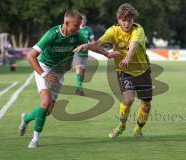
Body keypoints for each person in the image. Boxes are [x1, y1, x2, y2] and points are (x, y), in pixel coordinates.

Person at [19, 9, 119, 148]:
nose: (79, 28)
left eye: (79, 25)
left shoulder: (77, 36)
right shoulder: (51, 34)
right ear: (66, 23)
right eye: (76, 25)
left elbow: (90, 47)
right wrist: (43, 74)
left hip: (59, 73)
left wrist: (106, 54)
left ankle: (26, 118)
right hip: (45, 68)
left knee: (47, 112)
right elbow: (31, 56)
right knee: (46, 101)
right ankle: (35, 139)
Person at [74, 3, 152, 139]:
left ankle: (138, 130)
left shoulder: (138, 30)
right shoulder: (113, 31)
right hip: (123, 70)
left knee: (145, 106)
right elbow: (97, 44)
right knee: (128, 100)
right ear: (118, 19)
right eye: (124, 20)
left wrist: (127, 57)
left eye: (130, 20)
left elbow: (133, 46)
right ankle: (121, 127)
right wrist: (89, 46)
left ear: (133, 19)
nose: (127, 23)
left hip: (142, 70)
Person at [73, 14, 95, 95]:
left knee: (83, 72)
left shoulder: (88, 29)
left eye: (84, 19)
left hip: (85, 54)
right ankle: (80, 90)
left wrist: (90, 45)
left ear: (86, 20)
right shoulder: (75, 29)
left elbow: (93, 41)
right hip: (77, 54)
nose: (83, 21)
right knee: (79, 70)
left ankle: (78, 88)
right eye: (81, 19)